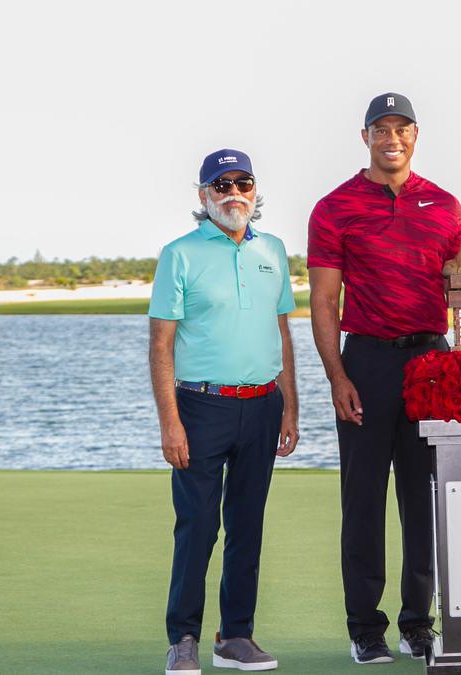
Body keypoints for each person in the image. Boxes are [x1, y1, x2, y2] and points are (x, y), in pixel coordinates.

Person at [307, 92, 461, 665]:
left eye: (402, 128)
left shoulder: (447, 207)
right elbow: (324, 302)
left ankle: (417, 624)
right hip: (367, 362)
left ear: (415, 135)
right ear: (366, 136)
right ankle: (365, 628)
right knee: (364, 499)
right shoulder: (334, 207)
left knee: (425, 499)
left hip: (432, 362)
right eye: (381, 129)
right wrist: (337, 375)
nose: (391, 138)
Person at [149, 148, 299, 674]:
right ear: (203, 195)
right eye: (221, 184)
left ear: (254, 192)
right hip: (200, 407)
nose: (233, 192)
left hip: (262, 405)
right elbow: (161, 344)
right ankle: (183, 638)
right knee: (197, 526)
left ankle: (235, 636)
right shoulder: (180, 254)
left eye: (243, 182)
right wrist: (170, 422)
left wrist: (290, 409)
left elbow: (282, 332)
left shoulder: (274, 251)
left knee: (247, 525)